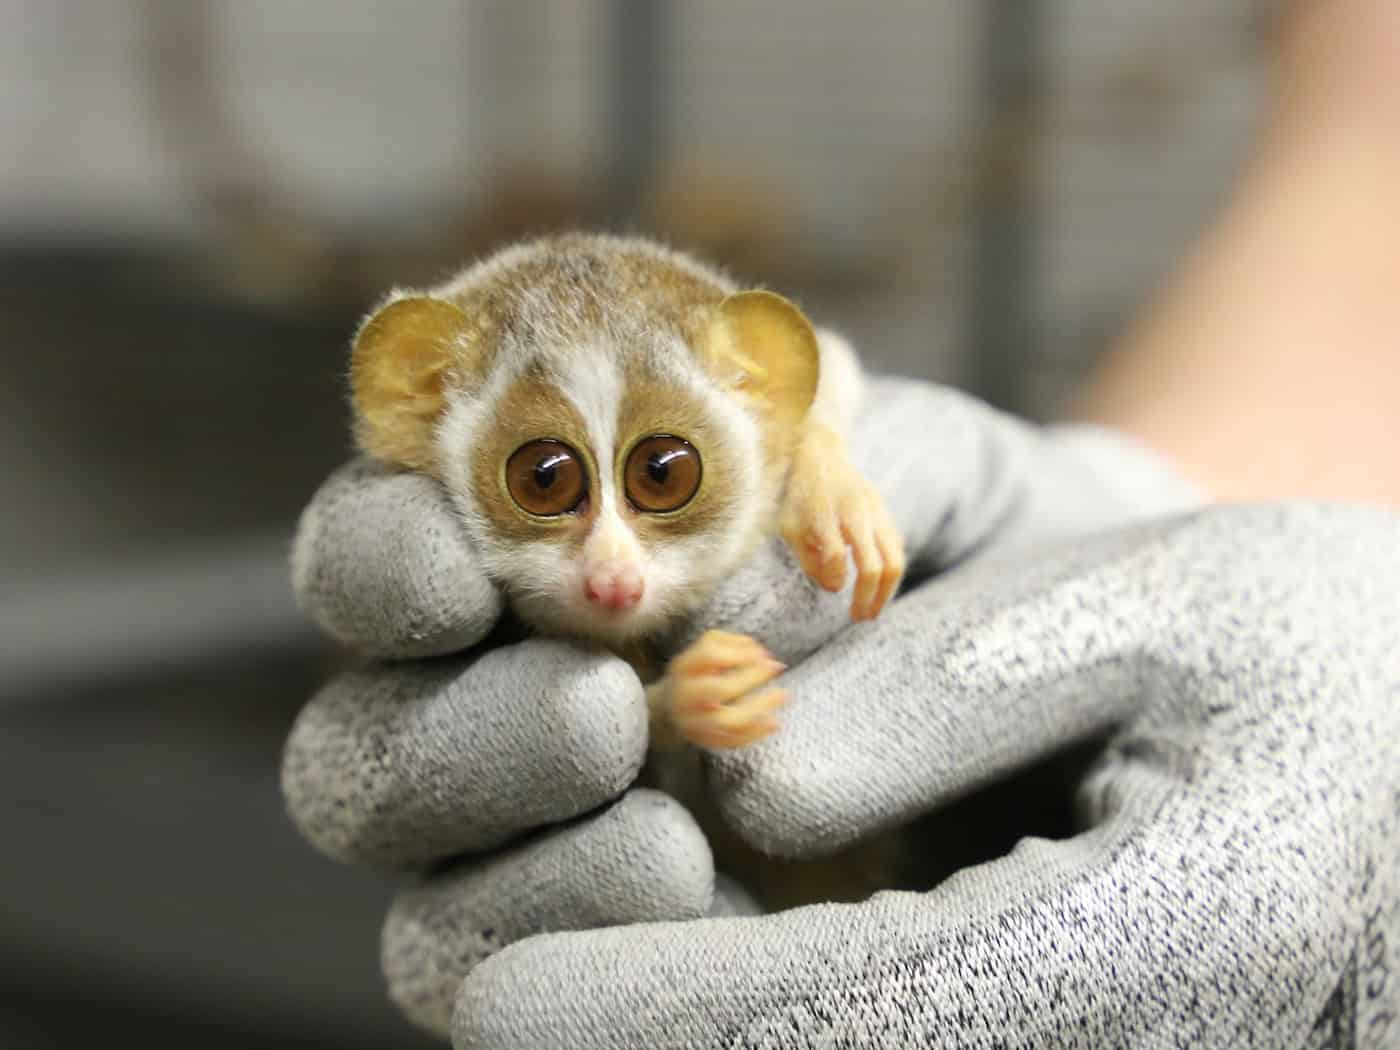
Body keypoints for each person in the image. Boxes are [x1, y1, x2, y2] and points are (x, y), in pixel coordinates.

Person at [282, 3, 1400, 1046]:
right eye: (542, 480)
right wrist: (1140, 497)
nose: (613, 564)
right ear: (419, 411)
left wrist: (822, 463)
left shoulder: (781, 416)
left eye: (663, 475)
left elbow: (810, 394)